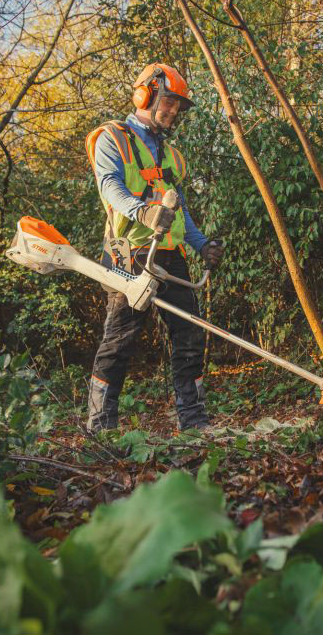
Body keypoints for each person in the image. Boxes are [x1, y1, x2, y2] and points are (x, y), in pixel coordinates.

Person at [84, 63, 224, 433]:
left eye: (179, 105)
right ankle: (100, 427)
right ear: (144, 95)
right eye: (169, 101)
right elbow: (109, 186)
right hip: (128, 255)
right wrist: (143, 212)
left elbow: (181, 211)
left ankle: (193, 422)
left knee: (190, 335)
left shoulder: (172, 156)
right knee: (120, 341)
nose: (174, 110)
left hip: (170, 257)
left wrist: (201, 244)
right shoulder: (112, 138)